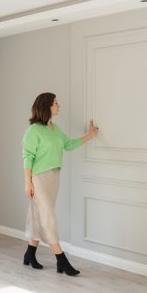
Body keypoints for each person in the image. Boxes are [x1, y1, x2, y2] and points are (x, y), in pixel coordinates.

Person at [22, 92, 98, 275]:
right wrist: (28, 183)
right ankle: (61, 260)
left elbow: (69, 145)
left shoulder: (55, 129)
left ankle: (29, 254)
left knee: (40, 216)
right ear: (46, 106)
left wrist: (90, 136)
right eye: (55, 103)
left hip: (54, 177)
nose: (58, 105)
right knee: (48, 217)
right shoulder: (33, 131)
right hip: (38, 179)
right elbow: (27, 157)